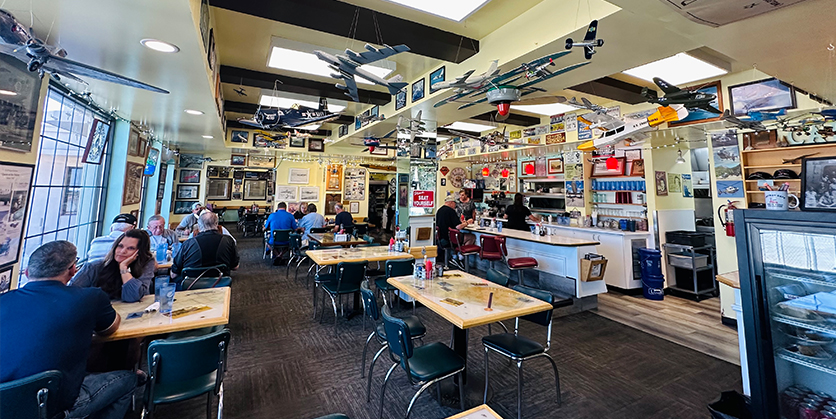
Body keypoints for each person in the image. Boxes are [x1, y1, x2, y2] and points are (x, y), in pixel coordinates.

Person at [1, 241, 136, 419]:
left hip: (5, 404)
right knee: (128, 379)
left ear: (26, 273)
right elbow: (110, 328)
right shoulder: (90, 297)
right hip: (50, 406)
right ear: (73, 270)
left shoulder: (3, 301)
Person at [71, 229, 155, 303]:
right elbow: (70, 293)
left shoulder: (145, 265)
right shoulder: (93, 267)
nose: (122, 251)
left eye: (130, 248)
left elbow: (132, 297)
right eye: (120, 246)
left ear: (139, 253)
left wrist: (123, 269)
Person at [171, 211, 239, 279]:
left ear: (199, 226)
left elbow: (174, 274)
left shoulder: (188, 244)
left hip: (192, 285)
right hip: (220, 283)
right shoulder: (228, 241)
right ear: (216, 224)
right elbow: (235, 267)